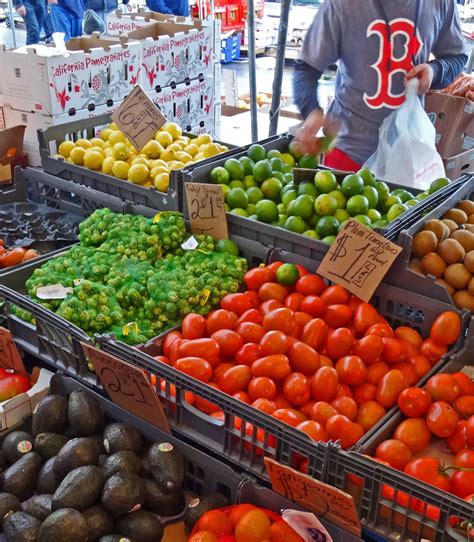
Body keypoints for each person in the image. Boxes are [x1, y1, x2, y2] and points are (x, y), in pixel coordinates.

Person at [293, 0, 468, 172]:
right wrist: (311, 110)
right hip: (347, 152)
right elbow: (307, 67)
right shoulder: (342, 5)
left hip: (407, 154)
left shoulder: (440, 3)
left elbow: (456, 57)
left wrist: (434, 71)